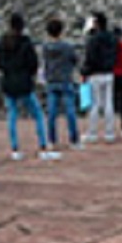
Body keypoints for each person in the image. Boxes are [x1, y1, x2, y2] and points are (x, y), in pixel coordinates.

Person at [0, 13, 52, 160]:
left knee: (12, 115)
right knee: (38, 114)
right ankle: (43, 145)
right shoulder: (26, 42)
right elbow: (33, 63)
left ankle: (15, 148)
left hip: (8, 82)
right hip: (24, 82)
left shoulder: (3, 42)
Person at [43, 18, 81, 152]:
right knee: (70, 110)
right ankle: (74, 139)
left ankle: (52, 139)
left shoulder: (46, 47)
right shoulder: (67, 47)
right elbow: (75, 60)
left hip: (52, 80)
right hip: (65, 79)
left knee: (52, 112)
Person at [82, 12, 117, 144]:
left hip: (96, 73)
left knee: (95, 104)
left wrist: (86, 70)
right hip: (108, 72)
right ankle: (109, 133)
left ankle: (92, 133)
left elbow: (90, 57)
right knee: (109, 103)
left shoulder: (94, 39)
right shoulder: (112, 38)